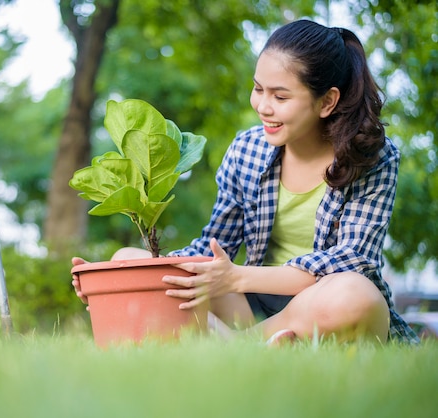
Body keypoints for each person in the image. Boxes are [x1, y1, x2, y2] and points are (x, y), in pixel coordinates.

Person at [72, 19, 419, 345]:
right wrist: (109, 279)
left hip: (325, 304)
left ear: (327, 101)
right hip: (250, 306)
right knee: (125, 259)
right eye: (258, 89)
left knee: (355, 295)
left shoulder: (372, 157)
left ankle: (234, 346)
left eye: (280, 97)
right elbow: (213, 248)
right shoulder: (247, 150)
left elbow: (352, 260)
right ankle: (262, 344)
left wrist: (238, 277)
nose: (263, 106)